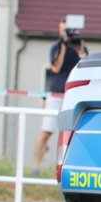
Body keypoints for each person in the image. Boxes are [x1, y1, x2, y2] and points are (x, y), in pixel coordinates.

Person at [33, 17, 87, 175]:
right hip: (56, 95)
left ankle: (70, 168)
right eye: (64, 31)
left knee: (72, 134)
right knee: (46, 132)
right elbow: (56, 68)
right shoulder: (56, 47)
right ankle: (35, 167)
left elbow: (83, 67)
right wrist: (63, 47)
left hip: (72, 96)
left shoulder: (80, 47)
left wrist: (80, 51)